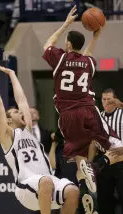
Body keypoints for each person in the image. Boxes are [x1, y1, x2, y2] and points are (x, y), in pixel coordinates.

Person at [42, 4, 122, 213]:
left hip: (66, 116)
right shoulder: (88, 62)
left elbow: (48, 43)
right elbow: (87, 54)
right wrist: (97, 35)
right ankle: (99, 165)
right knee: (119, 148)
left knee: (80, 158)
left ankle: (87, 191)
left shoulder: (60, 58)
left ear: (67, 44)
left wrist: (66, 23)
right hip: (88, 111)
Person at [0, 52, 79, 214]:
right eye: (17, 112)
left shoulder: (30, 131)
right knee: (45, 181)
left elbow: (22, 100)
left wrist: (12, 74)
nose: (22, 113)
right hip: (26, 187)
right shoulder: (7, 135)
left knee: (73, 191)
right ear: (9, 120)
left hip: (47, 183)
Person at [95, 88, 123, 214]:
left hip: (122, 158)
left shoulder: (122, 112)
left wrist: (121, 105)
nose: (106, 102)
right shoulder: (98, 117)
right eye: (104, 99)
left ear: (115, 99)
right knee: (104, 198)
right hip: (104, 160)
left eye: (109, 99)